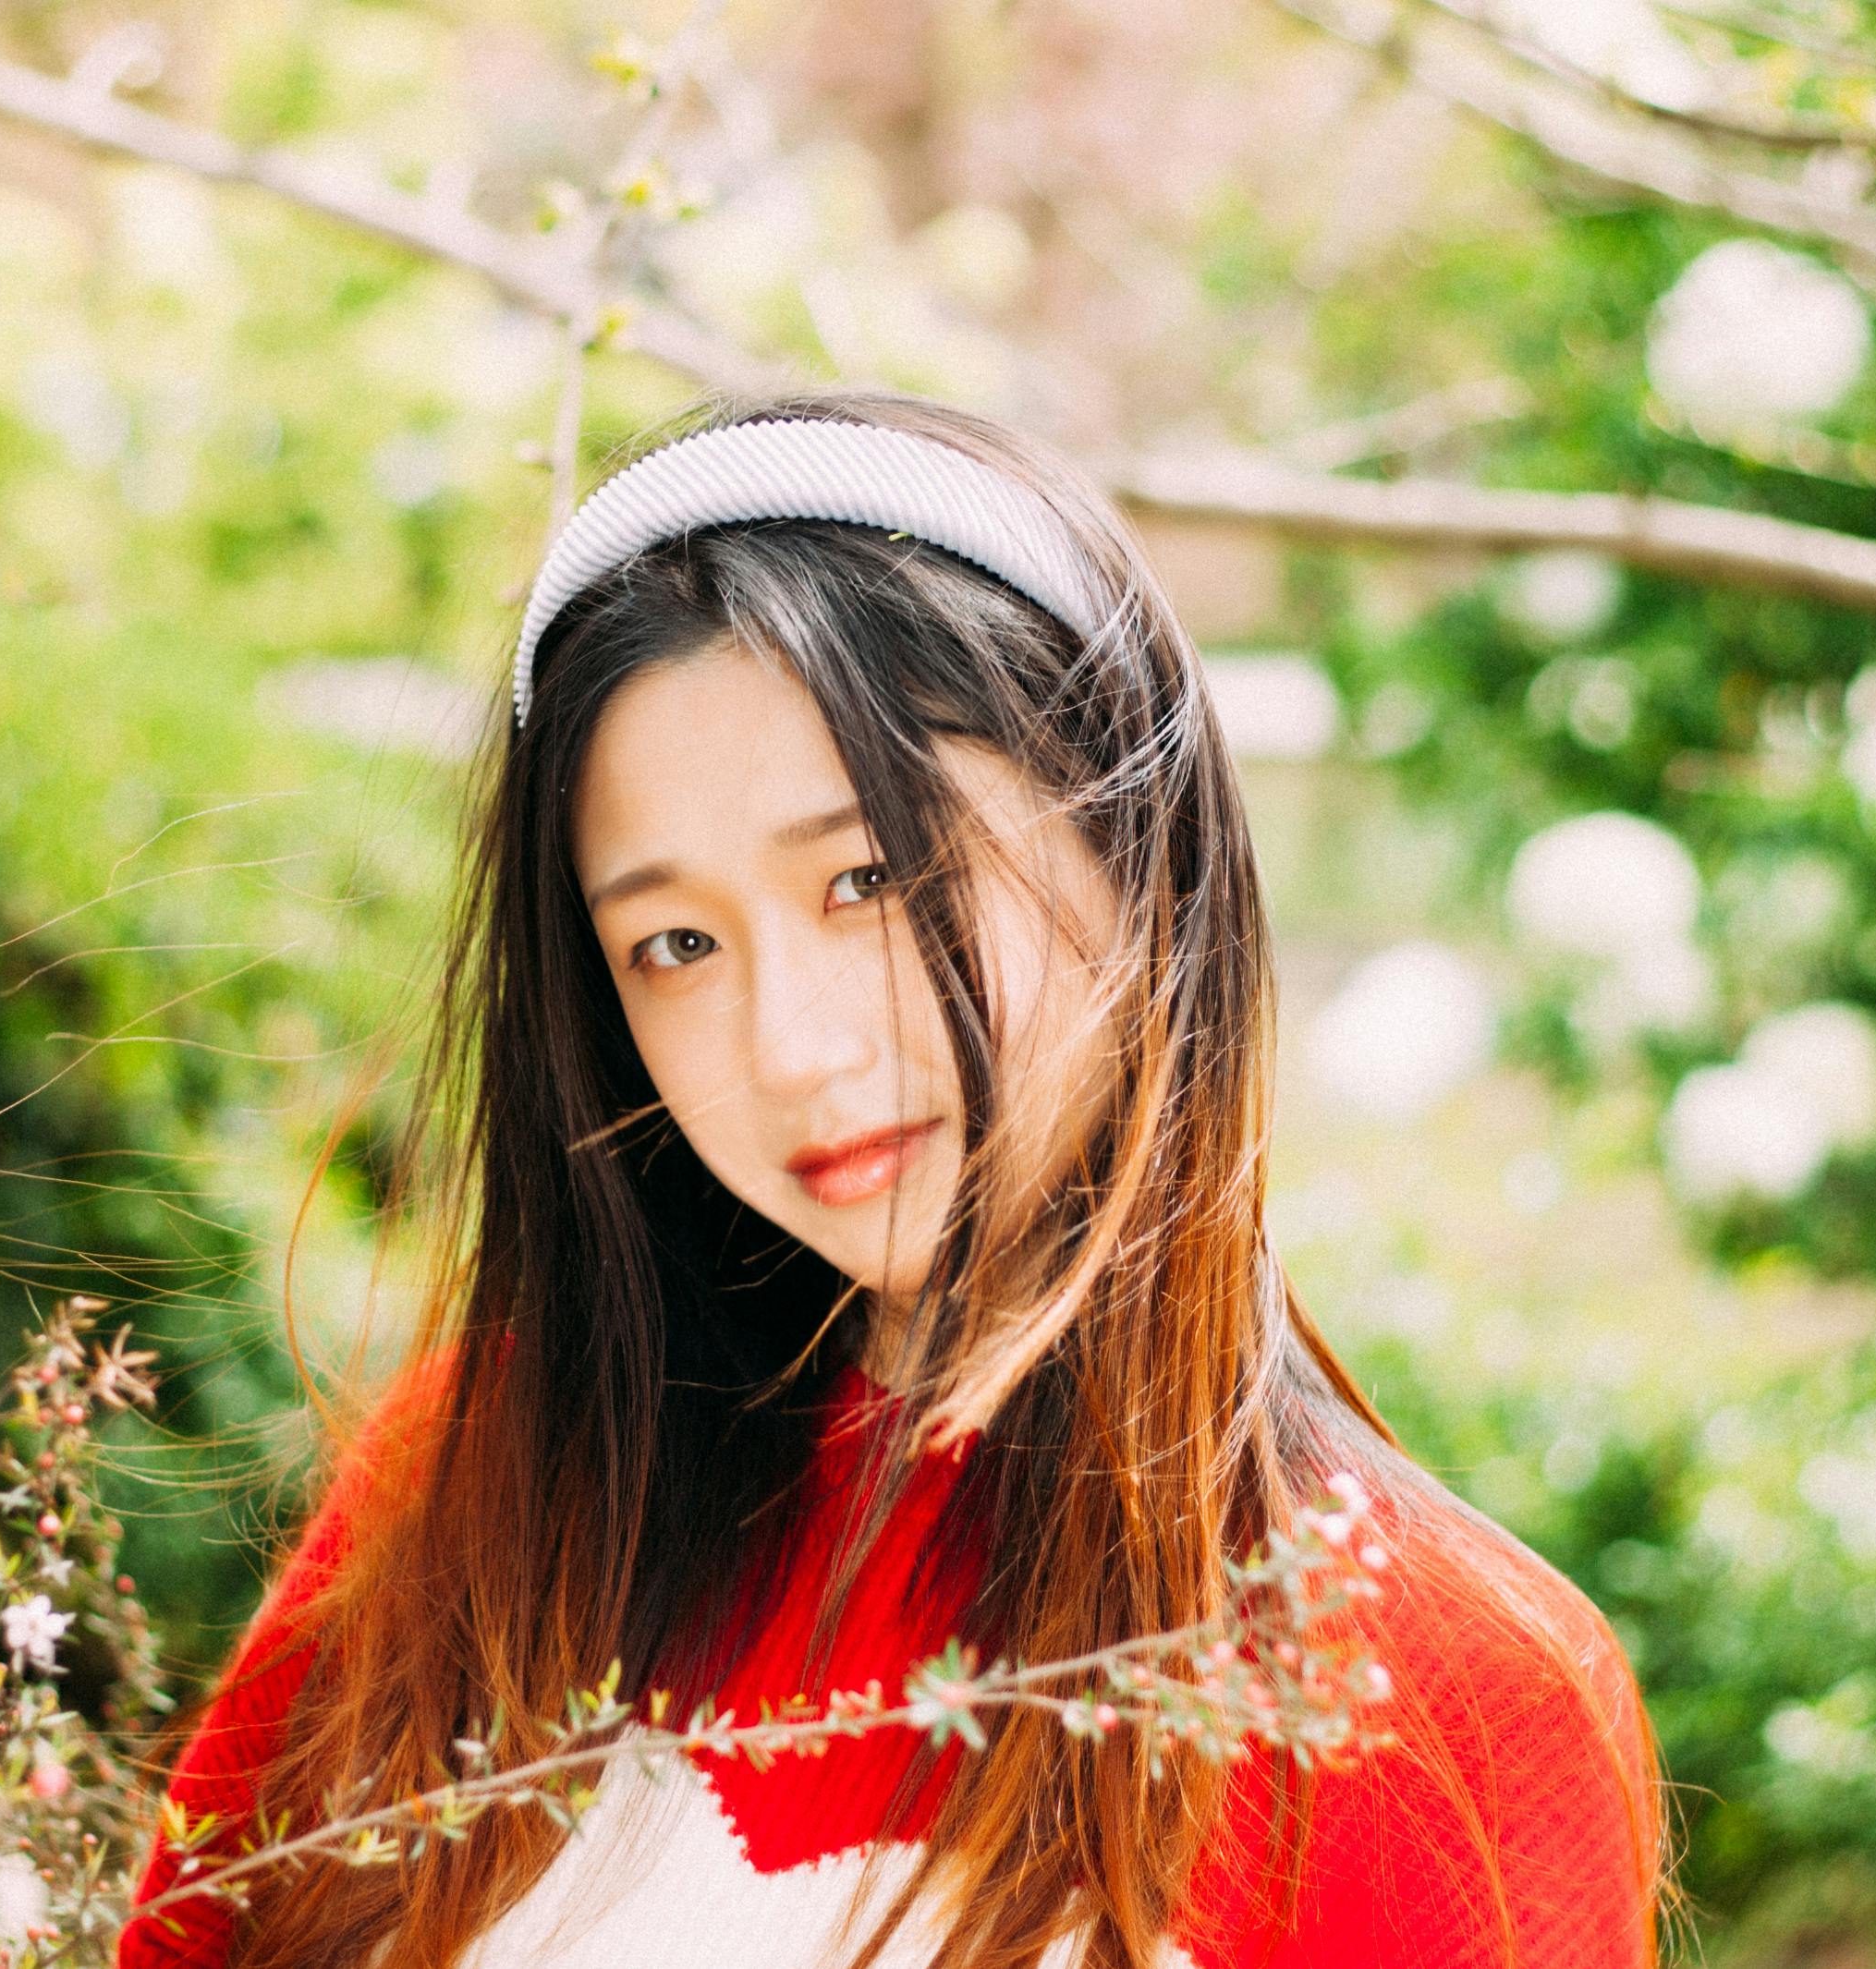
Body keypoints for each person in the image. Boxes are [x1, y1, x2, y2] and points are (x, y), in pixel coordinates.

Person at [115, 387, 1669, 1969]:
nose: (788, 1048)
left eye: (873, 877)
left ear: (1137, 848)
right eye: (675, 945)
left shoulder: (1445, 1693)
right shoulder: (495, 1486)